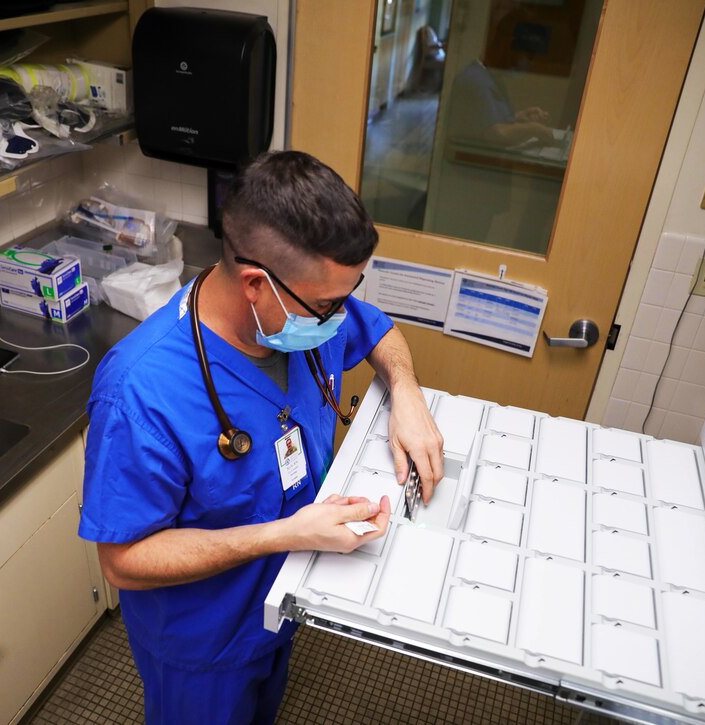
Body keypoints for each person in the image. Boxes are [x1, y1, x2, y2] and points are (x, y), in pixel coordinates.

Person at [79, 150, 444, 724]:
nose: (340, 314)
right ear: (256, 284)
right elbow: (123, 560)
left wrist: (407, 393)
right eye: (328, 304)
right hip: (204, 645)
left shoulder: (304, 313)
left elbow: (377, 330)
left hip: (283, 603)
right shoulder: (141, 392)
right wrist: (283, 534)